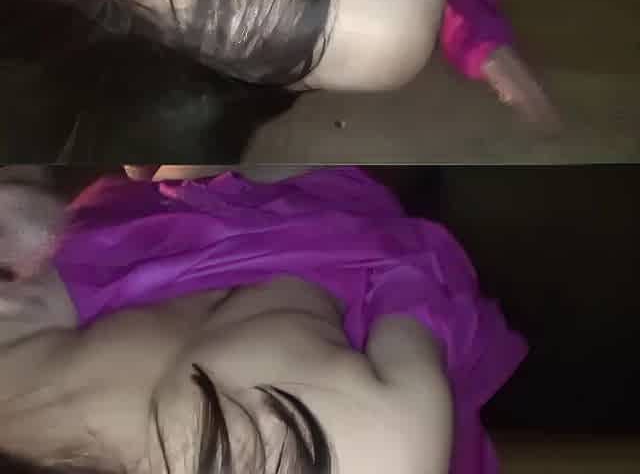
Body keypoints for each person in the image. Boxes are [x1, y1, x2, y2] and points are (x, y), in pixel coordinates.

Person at [0, 166, 527, 474]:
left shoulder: (387, 450)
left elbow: (414, 286)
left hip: (170, 236)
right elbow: (413, 284)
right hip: (330, 237)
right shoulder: (383, 451)